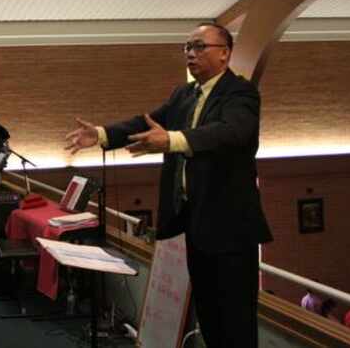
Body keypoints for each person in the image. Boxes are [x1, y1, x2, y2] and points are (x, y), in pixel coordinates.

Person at [65, 22, 272, 348]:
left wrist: (173, 140)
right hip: (196, 225)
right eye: (187, 47)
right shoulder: (183, 95)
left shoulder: (241, 93)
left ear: (225, 53)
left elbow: (230, 133)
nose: (190, 53)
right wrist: (103, 135)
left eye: (199, 46)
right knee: (210, 318)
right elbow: (146, 122)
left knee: (236, 323)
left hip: (232, 229)